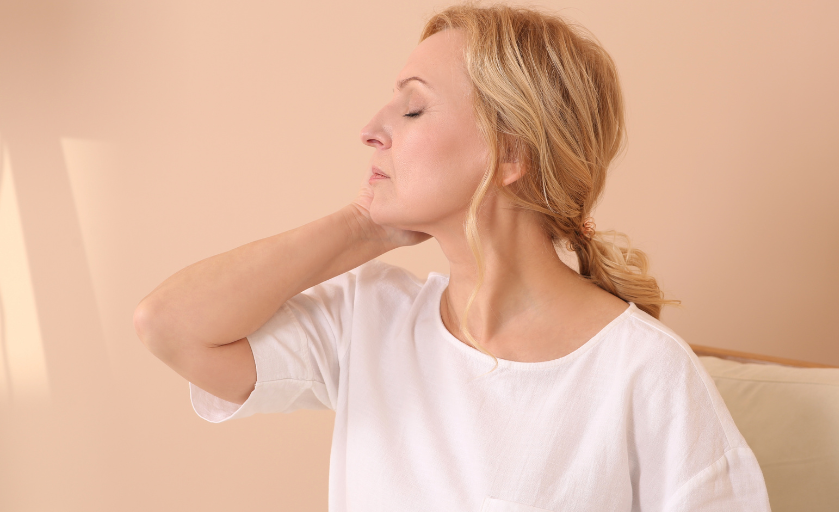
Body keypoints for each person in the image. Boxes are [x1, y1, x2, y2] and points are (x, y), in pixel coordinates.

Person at [134, 3, 772, 511]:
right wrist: (362, 227)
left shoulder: (645, 371)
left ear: (511, 154)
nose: (371, 129)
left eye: (413, 108)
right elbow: (169, 325)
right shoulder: (367, 320)